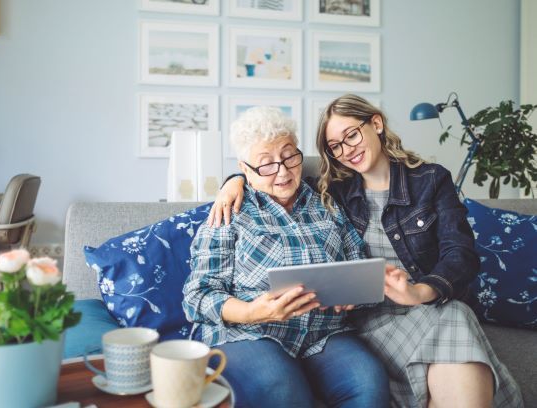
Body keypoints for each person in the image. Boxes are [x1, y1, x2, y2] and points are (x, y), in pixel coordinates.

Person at [209, 95, 523, 408]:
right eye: (335, 145)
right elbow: (270, 173)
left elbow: (461, 254)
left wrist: (418, 292)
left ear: (376, 123)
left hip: (427, 303)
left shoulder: (430, 179)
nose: (347, 150)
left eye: (352, 135)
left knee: (455, 315)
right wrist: (234, 181)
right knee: (455, 319)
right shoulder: (333, 189)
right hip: (369, 316)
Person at [182, 106, 390, 408]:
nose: (282, 171)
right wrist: (253, 312)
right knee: (282, 388)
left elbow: (357, 261)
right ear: (245, 168)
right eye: (266, 165)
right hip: (248, 334)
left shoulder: (327, 202)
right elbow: (197, 295)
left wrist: (354, 292)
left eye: (290, 156)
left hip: (323, 334)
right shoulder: (230, 212)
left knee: (368, 381)